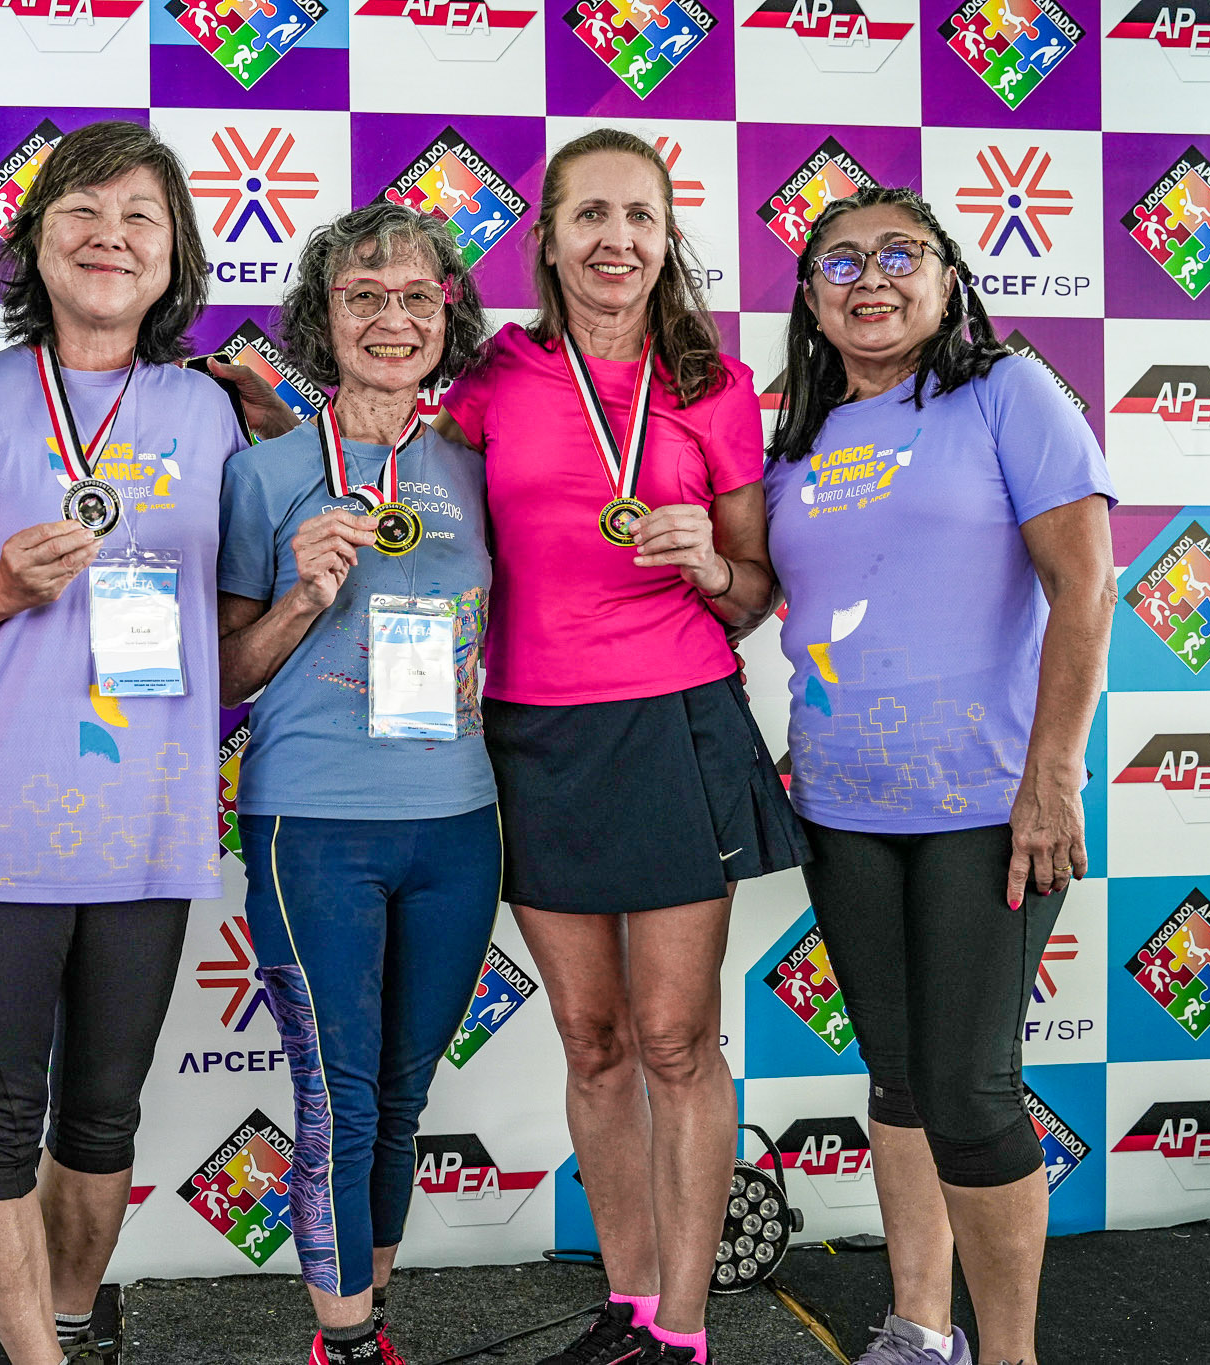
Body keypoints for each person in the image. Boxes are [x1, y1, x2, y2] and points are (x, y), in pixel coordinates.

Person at [0, 120, 256, 1365]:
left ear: (173, 255)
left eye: (140, 217)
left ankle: (74, 1324)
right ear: (35, 244)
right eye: (80, 212)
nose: (109, 237)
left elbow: (234, 609)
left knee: (102, 1115)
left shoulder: (211, 412)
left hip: (149, 824)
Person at [433, 128, 805, 1365]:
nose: (616, 239)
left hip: (671, 723)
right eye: (589, 214)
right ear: (546, 239)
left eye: (639, 216)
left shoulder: (714, 385)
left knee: (673, 1041)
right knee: (590, 1042)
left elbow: (752, 591)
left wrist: (708, 564)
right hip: (530, 729)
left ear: (666, 239)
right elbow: (406, 496)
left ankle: (682, 1330)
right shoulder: (494, 377)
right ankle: (629, 1304)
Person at [762, 186, 1115, 1365]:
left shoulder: (1006, 392)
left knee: (967, 1091)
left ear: (947, 278)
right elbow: (793, 602)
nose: (869, 278)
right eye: (838, 262)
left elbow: (1084, 586)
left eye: (897, 254)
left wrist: (1051, 775)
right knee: (900, 1080)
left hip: (986, 804)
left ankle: (1006, 1355)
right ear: (808, 300)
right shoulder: (792, 439)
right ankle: (919, 1328)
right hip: (839, 807)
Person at [217, 202, 495, 1365]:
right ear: (320, 320)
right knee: (337, 1098)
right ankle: (339, 1341)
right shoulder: (263, 472)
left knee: (400, 1095)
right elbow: (224, 672)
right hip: (314, 820)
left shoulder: (479, 465)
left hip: (459, 820)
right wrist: (300, 595)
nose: (391, 318)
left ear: (446, 315)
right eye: (361, 297)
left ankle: (364, 1322)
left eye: (415, 296)